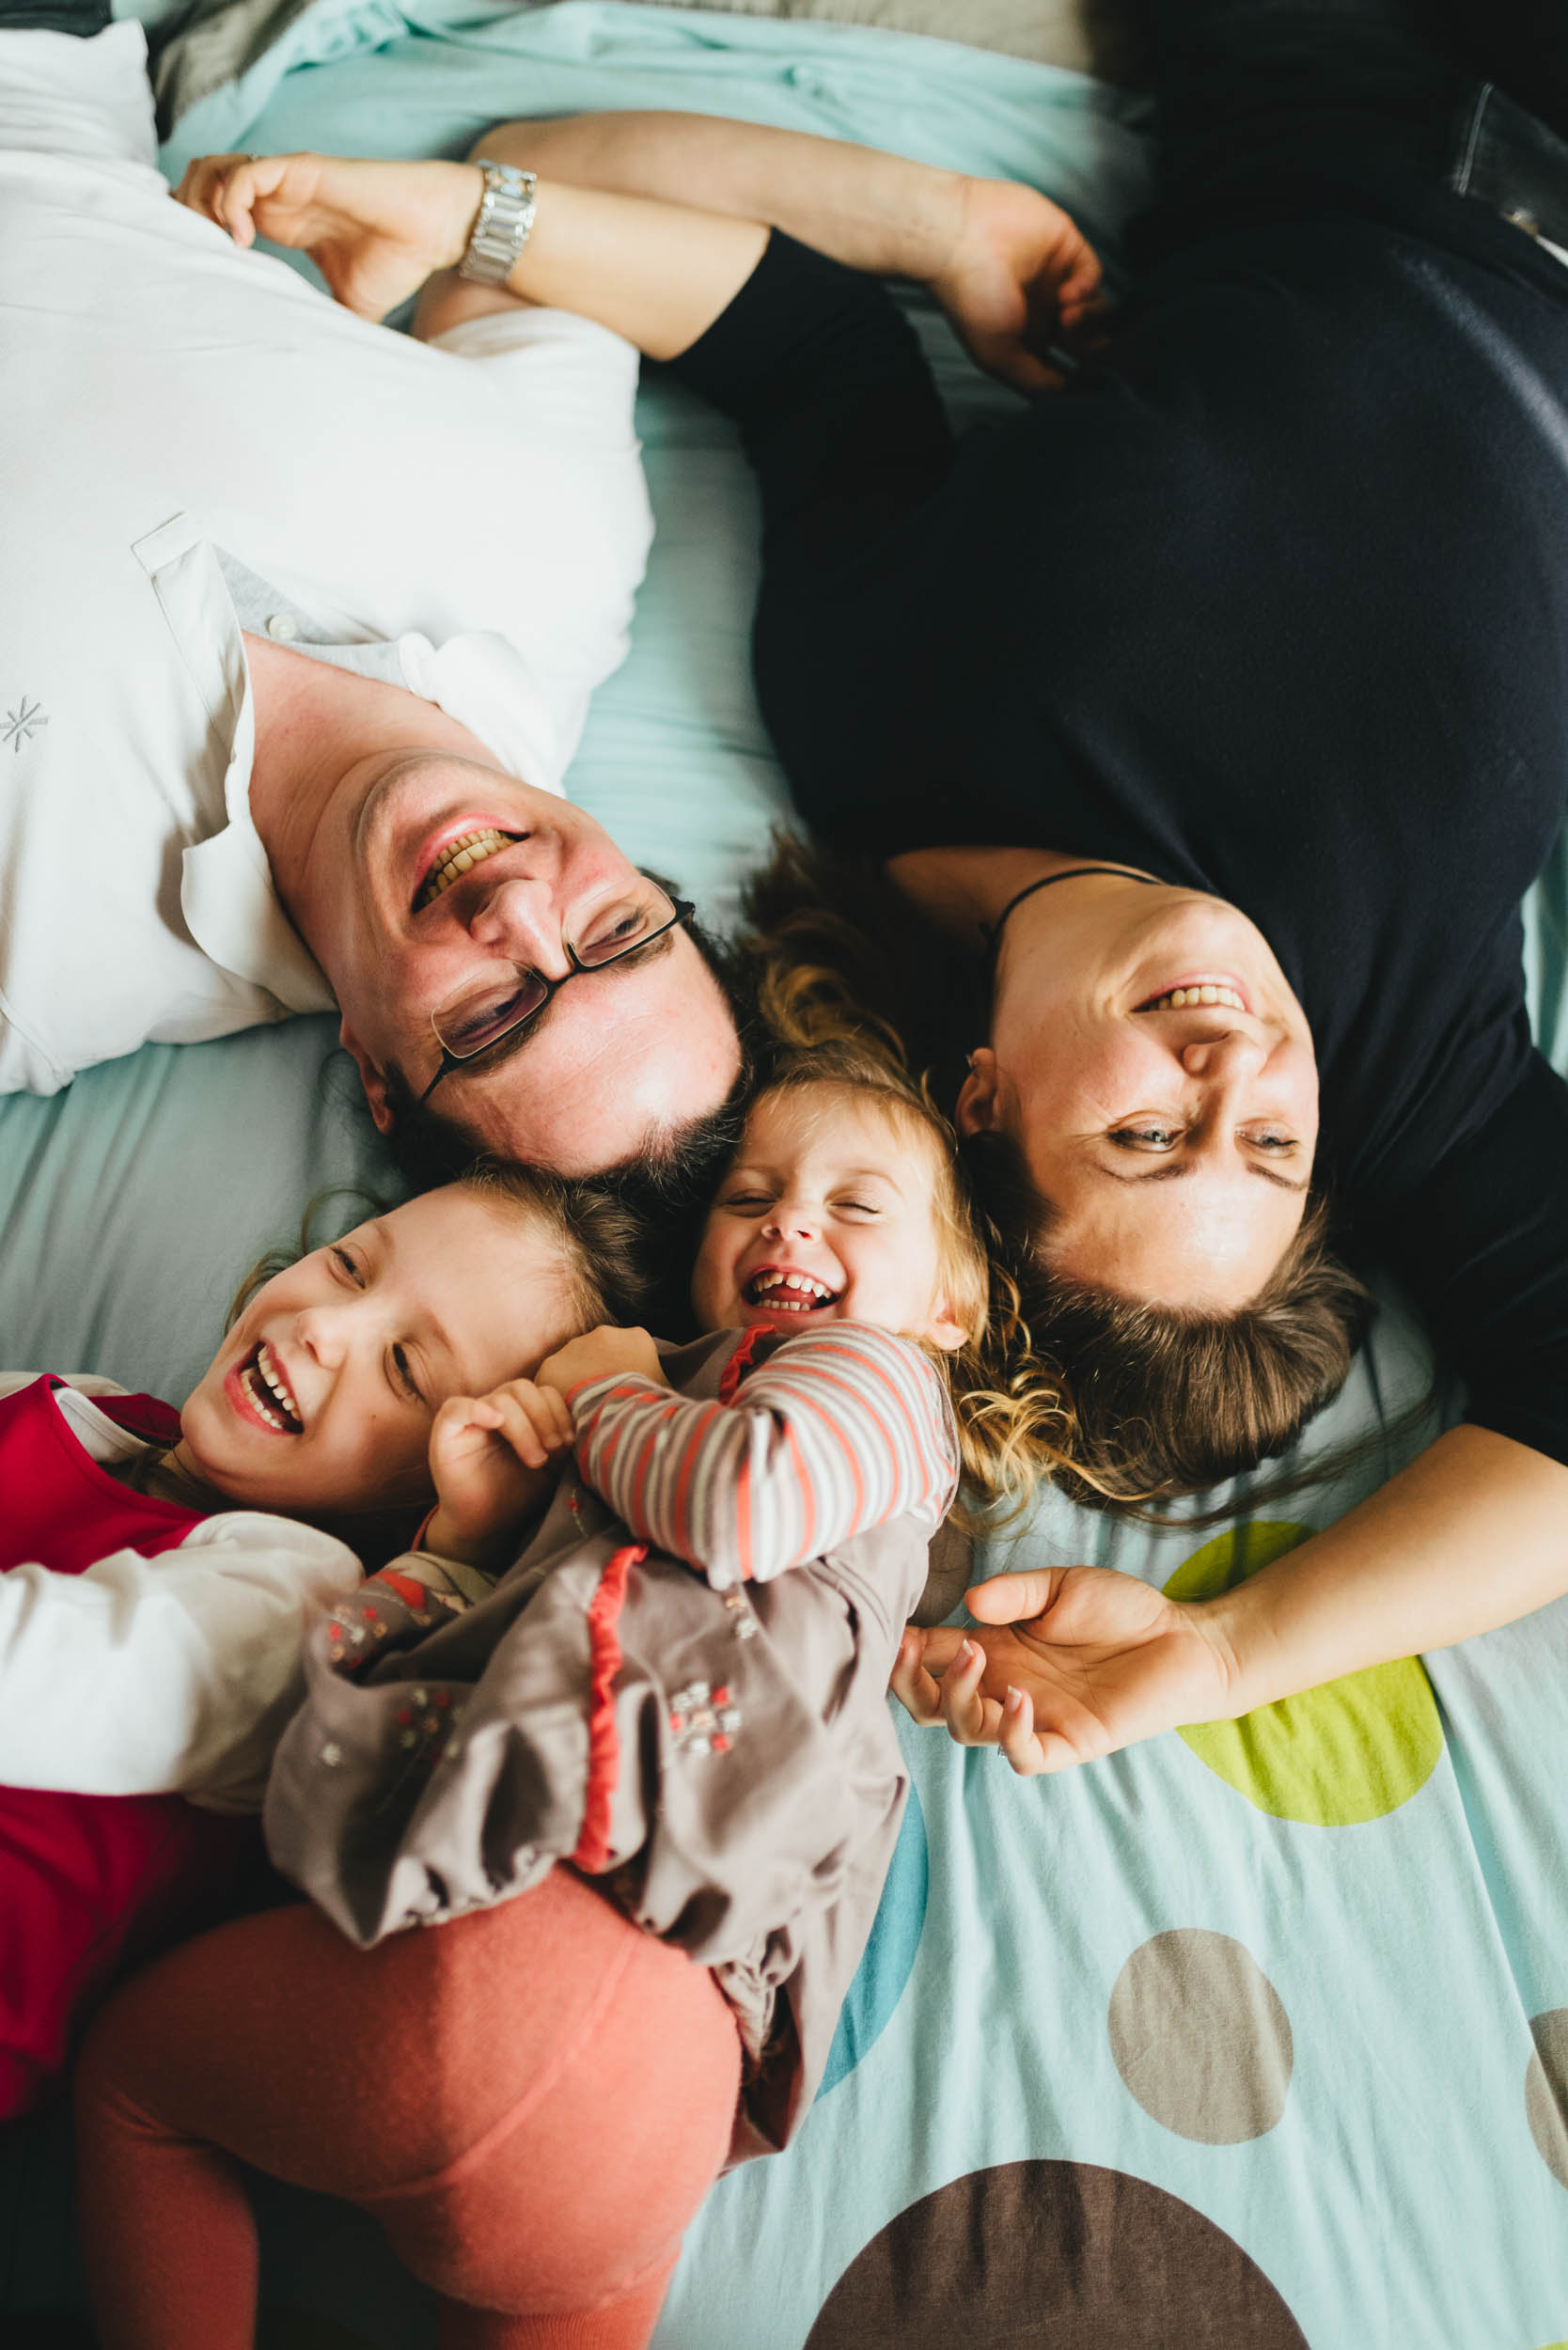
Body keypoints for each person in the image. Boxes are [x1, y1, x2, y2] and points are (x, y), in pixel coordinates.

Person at [166, 0, 1568, 1775]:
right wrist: (1223, 1657)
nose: (1234, 1077)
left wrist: (464, 219)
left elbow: (801, 343)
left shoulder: (870, 731)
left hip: (1331, 96)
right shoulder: (1388, 1028)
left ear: (981, 1101)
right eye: (1272, 1145)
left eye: (1147, 1138)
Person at [72, 1042, 1047, 2350]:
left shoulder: (870, 1380)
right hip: (642, 2141)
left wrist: (610, 1393)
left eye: (856, 1204)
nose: (790, 1220)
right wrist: (465, 1546)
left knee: (139, 2081)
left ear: (955, 1304)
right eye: (748, 1197)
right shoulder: (680, 1465)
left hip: (516, 1964)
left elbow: (743, 1499)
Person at [0, 11, 744, 1183]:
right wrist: (958, 234)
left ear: (379, 1081)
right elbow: (569, 182)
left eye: (497, 1016)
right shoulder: (568, 558)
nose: (518, 915)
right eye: (616, 931)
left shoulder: (43, 983)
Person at [0, 1167, 640, 2117]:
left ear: (440, 1485)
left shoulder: (289, 1599)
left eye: (407, 1368)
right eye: (349, 1265)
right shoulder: (78, 1413)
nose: (322, 1325)